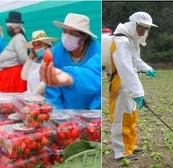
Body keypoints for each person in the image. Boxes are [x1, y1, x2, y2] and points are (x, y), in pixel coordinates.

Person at [109, 11, 157, 160]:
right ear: (133, 24)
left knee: (131, 115)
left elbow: (135, 60)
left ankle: (131, 146)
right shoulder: (121, 42)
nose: (144, 31)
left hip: (128, 83)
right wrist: (138, 93)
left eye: (146, 28)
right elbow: (126, 68)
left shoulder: (131, 41)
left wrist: (147, 68)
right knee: (122, 116)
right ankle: (121, 151)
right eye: (141, 27)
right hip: (121, 82)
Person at [45, 13, 100, 109]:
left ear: (85, 37)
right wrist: (58, 115)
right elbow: (52, 89)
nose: (67, 36)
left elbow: (99, 83)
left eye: (73, 34)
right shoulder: (56, 53)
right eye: (65, 31)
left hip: (91, 111)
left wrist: (91, 115)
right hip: (66, 111)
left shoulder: (98, 52)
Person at [22, 30, 56, 95]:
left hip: (46, 98)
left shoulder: (53, 59)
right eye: (35, 45)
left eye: (39, 45)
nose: (37, 48)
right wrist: (30, 58)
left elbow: (45, 82)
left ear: (47, 45)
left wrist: (34, 95)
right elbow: (24, 76)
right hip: (33, 98)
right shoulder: (35, 60)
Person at [0, 11, 27, 92]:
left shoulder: (19, 38)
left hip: (13, 77)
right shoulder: (16, 38)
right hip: (9, 75)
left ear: (18, 28)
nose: (8, 29)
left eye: (10, 27)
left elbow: (23, 59)